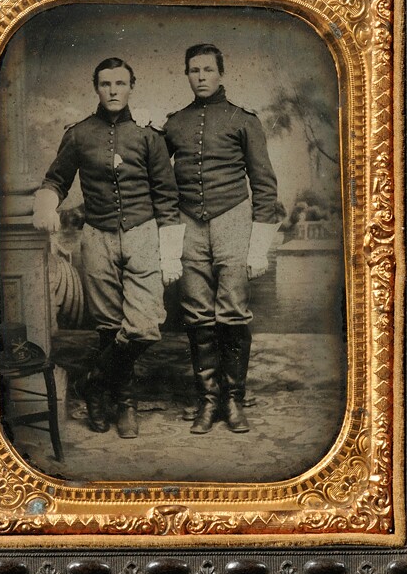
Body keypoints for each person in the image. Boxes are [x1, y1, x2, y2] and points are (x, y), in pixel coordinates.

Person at [32, 58, 184, 439]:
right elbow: (57, 179)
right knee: (108, 326)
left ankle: (93, 382)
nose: (113, 90)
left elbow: (166, 196)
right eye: (105, 83)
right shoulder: (80, 134)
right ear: (96, 87)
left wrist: (169, 252)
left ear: (132, 86)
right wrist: (47, 202)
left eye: (120, 83)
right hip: (97, 236)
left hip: (143, 233)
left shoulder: (149, 136)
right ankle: (121, 403)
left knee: (145, 325)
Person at [164, 44, 279, 434]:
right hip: (187, 224)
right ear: (187, 74)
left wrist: (259, 243)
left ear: (220, 74)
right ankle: (208, 401)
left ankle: (234, 401)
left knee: (232, 311)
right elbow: (154, 174)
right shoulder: (174, 123)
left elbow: (264, 184)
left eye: (208, 70)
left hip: (233, 219)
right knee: (196, 311)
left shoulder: (243, 120)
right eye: (194, 70)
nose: (201, 76)